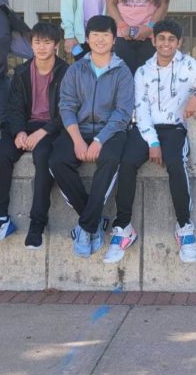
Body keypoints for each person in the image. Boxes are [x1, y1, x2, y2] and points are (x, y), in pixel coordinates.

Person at [103, 19, 196, 265]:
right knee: (126, 163)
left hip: (174, 129)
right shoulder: (142, 71)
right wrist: (152, 142)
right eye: (161, 39)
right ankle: (124, 227)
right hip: (144, 129)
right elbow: (141, 108)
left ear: (179, 42)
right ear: (153, 40)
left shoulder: (188, 65)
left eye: (172, 39)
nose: (166, 44)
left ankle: (184, 227)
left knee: (175, 162)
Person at [0, 23, 69, 251]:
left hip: (51, 128)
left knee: (43, 157)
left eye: (47, 42)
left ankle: (37, 222)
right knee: (1, 156)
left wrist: (43, 131)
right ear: (31, 44)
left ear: (56, 45)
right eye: (37, 42)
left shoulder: (66, 72)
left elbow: (68, 110)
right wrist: (18, 131)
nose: (42, 47)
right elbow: (14, 108)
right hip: (24, 126)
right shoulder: (21, 72)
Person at [49, 14, 134, 258]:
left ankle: (86, 227)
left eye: (105, 35)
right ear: (87, 39)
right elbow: (66, 105)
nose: (99, 40)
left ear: (114, 39)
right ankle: (93, 219)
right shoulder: (76, 69)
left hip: (111, 131)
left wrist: (99, 141)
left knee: (109, 159)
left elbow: (123, 112)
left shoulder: (122, 72)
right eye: (94, 35)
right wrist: (77, 139)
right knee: (57, 161)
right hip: (79, 129)